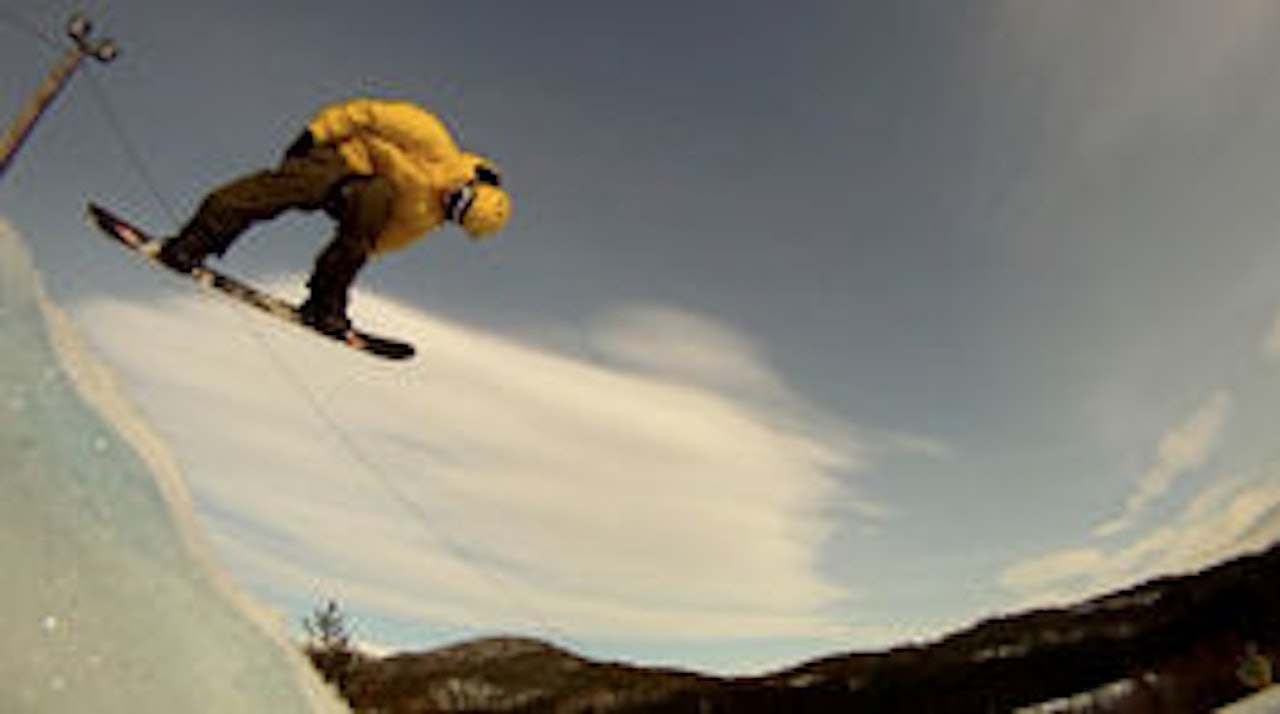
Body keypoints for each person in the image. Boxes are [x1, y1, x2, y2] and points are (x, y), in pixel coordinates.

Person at [158, 98, 511, 335]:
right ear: (471, 181)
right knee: (298, 186)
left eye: (455, 214)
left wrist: (342, 265)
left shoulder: (424, 216)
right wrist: (315, 133)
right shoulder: (432, 139)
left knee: (380, 199)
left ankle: (324, 303)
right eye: (460, 198)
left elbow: (374, 243)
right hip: (342, 157)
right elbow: (366, 113)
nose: (449, 203)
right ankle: (194, 242)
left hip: (363, 194)